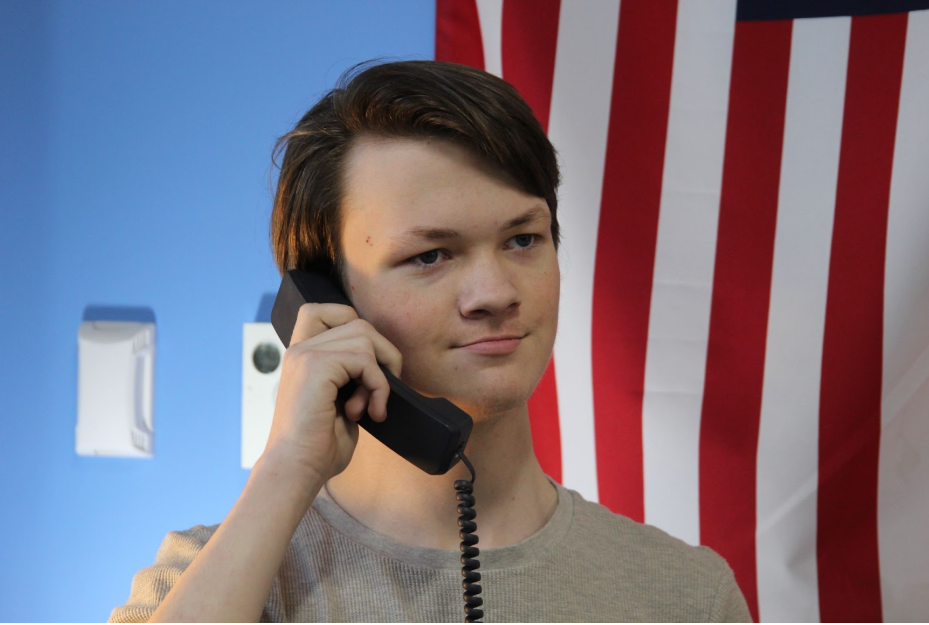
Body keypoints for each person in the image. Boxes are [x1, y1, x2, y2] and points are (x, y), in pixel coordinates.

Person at [109, 60, 751, 623]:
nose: (495, 292)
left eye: (523, 239)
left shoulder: (687, 596)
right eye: (431, 255)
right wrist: (286, 470)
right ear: (325, 298)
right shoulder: (202, 581)